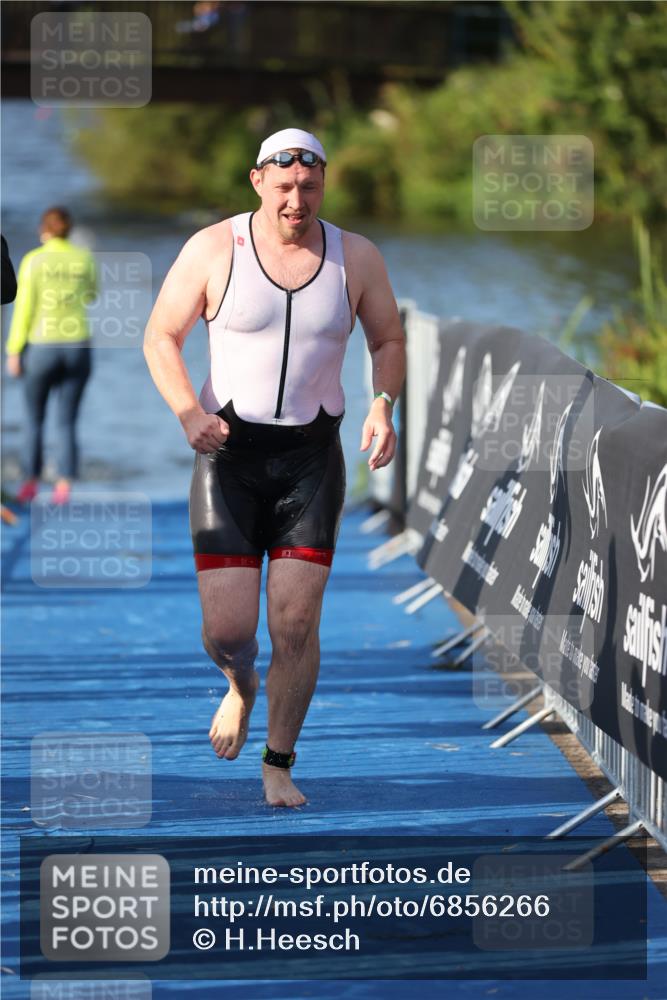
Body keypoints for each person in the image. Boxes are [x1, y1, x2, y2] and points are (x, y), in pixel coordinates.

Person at [144, 128, 406, 807]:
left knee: (294, 624)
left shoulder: (357, 257)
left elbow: (387, 337)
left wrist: (382, 403)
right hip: (226, 458)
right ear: (257, 180)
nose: (297, 200)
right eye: (284, 186)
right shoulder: (212, 248)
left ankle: (278, 762)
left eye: (309, 187)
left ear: (324, 184)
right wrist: (184, 413)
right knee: (229, 634)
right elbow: (160, 335)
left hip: (309, 462)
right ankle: (239, 684)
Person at [5, 207, 97, 505]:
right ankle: (64, 487)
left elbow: (24, 308)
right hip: (77, 346)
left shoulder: (33, 260)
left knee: (34, 418)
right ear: (69, 230)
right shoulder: (84, 258)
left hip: (42, 346)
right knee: (67, 420)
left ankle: (30, 483)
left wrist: (13, 350)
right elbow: (92, 294)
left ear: (44, 230)